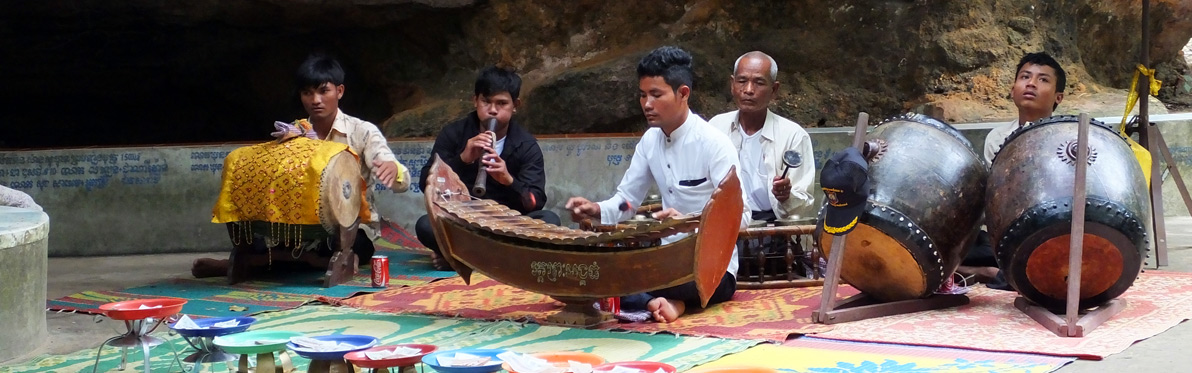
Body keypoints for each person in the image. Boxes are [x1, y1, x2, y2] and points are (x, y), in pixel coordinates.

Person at [565, 46, 750, 323]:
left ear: (683, 93)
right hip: (663, 262)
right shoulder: (650, 141)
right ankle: (663, 303)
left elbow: (742, 218)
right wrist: (596, 209)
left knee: (617, 283)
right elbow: (627, 201)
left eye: (656, 95)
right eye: (642, 95)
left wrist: (690, 221)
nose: (647, 104)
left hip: (711, 267)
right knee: (588, 274)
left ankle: (658, 300)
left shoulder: (715, 144)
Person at [194, 54, 411, 277]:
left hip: (351, 227)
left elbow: (401, 182)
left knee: (352, 246)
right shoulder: (296, 131)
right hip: (303, 225)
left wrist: (394, 170)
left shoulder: (363, 131)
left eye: (323, 91)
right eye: (307, 93)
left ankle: (250, 265)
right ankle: (318, 264)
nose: (315, 99)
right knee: (266, 242)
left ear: (340, 91)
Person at [415, 66, 559, 271]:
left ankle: (466, 260)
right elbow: (425, 183)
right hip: (464, 224)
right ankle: (504, 261)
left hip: (508, 227)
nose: (492, 110)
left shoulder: (526, 145)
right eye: (486, 102)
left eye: (501, 103)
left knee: (550, 221)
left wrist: (508, 180)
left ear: (515, 105)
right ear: (475, 101)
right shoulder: (454, 134)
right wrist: (463, 159)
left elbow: (535, 202)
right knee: (425, 225)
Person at [959, 52, 1066, 288]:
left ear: (1058, 97)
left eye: (1043, 79)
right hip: (1004, 235)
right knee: (953, 243)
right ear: (1013, 89)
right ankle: (994, 270)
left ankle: (988, 273)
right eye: (1025, 77)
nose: (1031, 83)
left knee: (1044, 266)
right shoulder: (997, 137)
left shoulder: (1065, 138)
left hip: (1049, 232)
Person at [708, 51, 815, 223]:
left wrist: (786, 196)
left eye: (759, 83)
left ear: (774, 90)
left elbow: (804, 201)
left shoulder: (793, 135)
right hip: (723, 223)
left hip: (772, 229)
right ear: (732, 84)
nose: (748, 90)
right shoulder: (716, 127)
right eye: (742, 81)